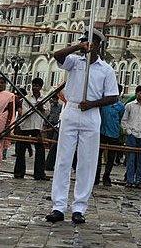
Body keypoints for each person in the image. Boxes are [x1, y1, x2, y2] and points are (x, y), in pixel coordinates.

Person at [45, 28, 119, 225]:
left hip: (91, 113)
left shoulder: (106, 69)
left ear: (97, 45)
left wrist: (93, 104)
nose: (86, 43)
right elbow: (57, 56)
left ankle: (79, 207)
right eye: (84, 41)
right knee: (63, 160)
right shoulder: (74, 61)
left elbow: (113, 96)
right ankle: (58, 206)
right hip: (71, 110)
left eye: (89, 41)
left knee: (87, 161)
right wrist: (78, 47)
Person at [14, 76, 48, 180]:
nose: (35, 87)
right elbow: (23, 113)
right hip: (25, 126)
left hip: (37, 127)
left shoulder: (45, 98)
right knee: (21, 150)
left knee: (40, 151)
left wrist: (41, 107)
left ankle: (39, 174)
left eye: (37, 86)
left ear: (41, 87)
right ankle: (19, 173)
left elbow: (46, 113)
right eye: (33, 85)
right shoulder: (26, 98)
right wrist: (33, 109)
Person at [122, 85, 141, 188]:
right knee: (131, 158)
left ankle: (140, 180)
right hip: (132, 134)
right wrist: (128, 131)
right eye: (140, 93)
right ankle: (130, 180)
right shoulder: (129, 105)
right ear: (136, 93)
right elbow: (124, 120)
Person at [96, 85, 124, 186]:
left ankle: (106, 176)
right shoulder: (103, 104)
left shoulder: (120, 106)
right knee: (98, 155)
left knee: (111, 157)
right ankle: (96, 176)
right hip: (102, 132)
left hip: (114, 133)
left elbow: (120, 118)